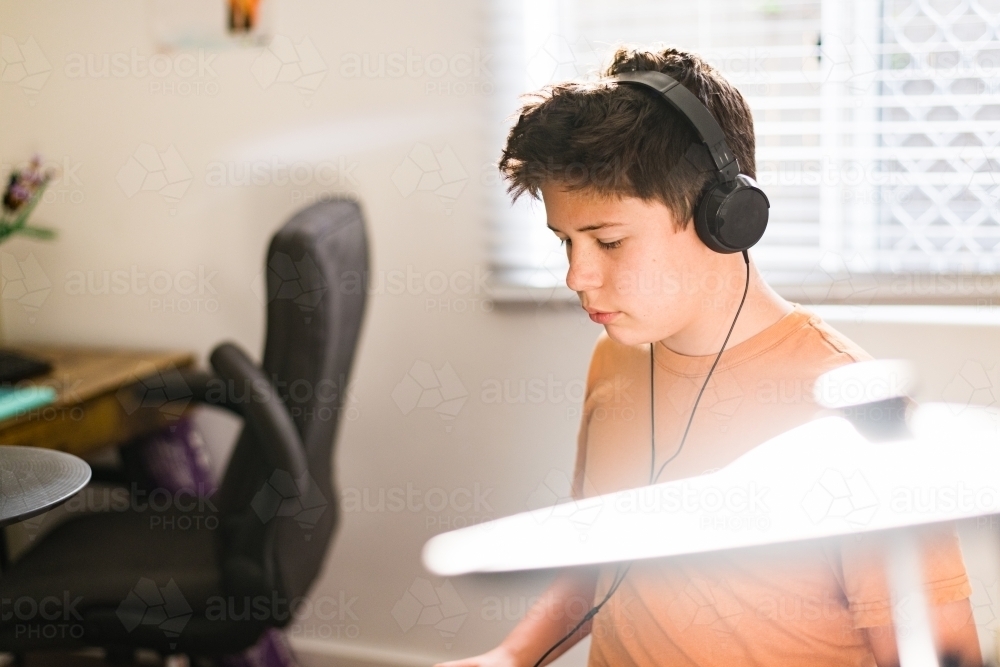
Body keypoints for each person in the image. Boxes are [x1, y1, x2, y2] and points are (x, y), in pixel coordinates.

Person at [437, 46, 980, 667]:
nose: (577, 276)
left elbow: (941, 655)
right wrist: (508, 656)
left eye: (608, 241)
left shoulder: (856, 413)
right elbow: (599, 562)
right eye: (565, 240)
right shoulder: (615, 358)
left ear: (725, 218)